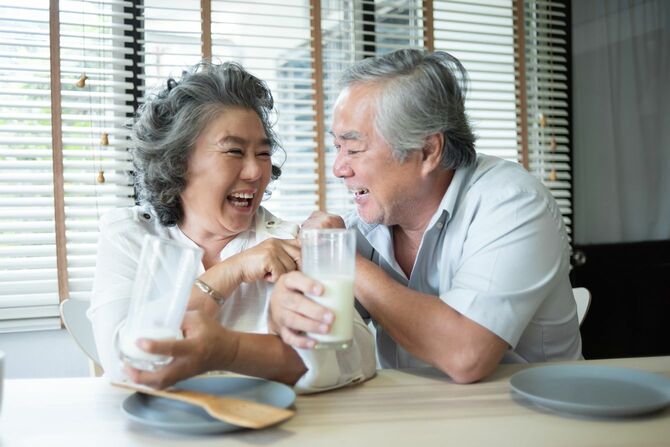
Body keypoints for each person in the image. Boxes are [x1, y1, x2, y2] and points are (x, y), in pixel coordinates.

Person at [268, 49, 582, 384]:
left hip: (531, 418)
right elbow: (319, 344)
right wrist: (286, 310)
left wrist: (347, 262)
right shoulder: (365, 226)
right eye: (337, 148)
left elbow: (466, 355)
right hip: (411, 419)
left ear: (428, 150)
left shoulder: (513, 203)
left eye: (355, 149)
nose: (338, 169)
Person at [88, 61, 376, 392]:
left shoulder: (290, 244)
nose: (255, 172)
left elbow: (357, 357)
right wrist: (230, 273)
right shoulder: (130, 236)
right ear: (177, 161)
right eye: (234, 151)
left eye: (263, 153)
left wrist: (229, 350)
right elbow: (124, 361)